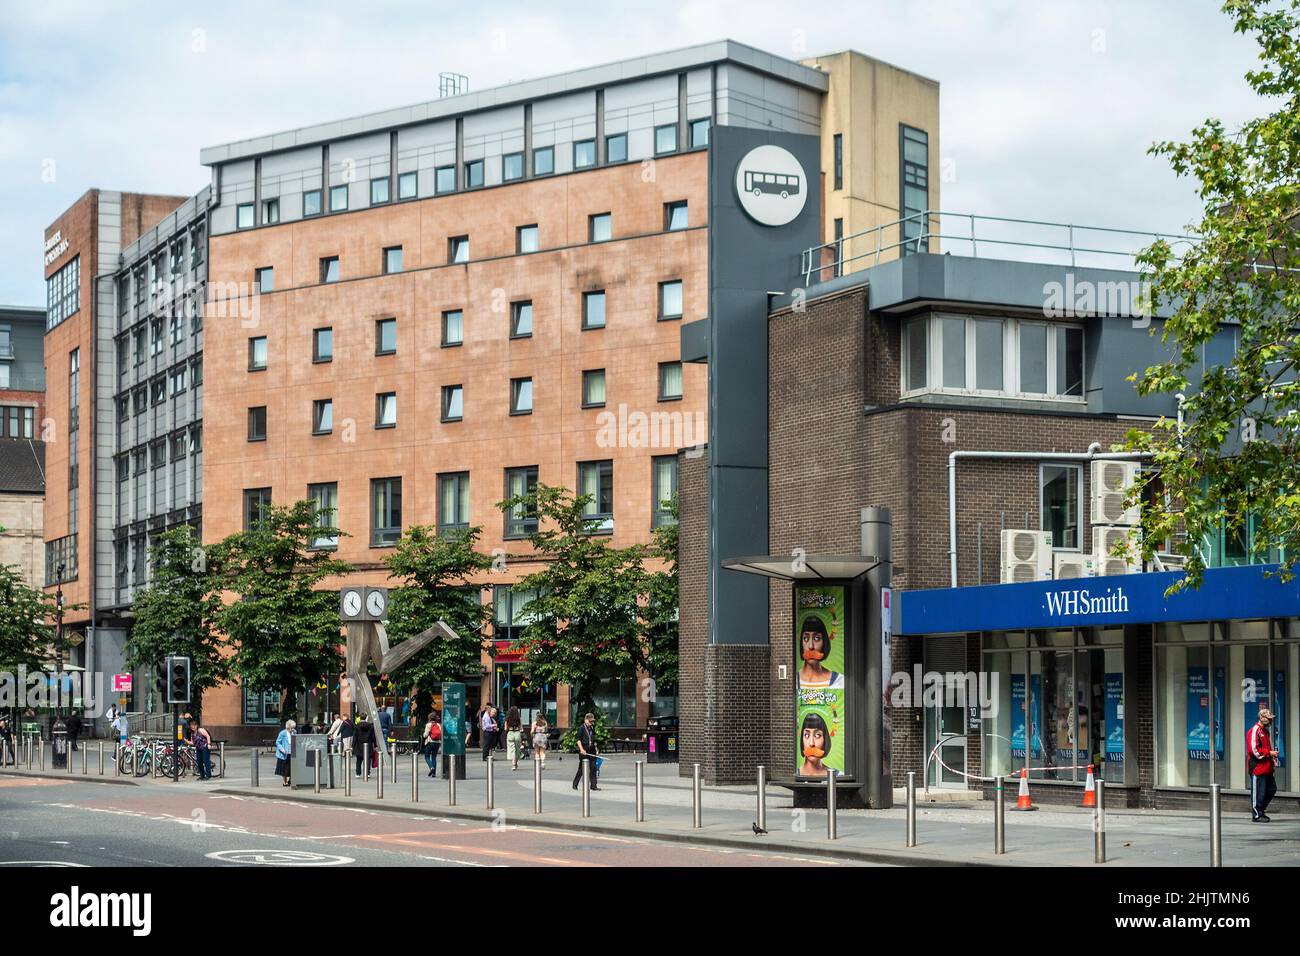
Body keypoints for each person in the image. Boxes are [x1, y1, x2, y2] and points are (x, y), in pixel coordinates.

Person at [1248, 707, 1279, 822]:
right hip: (1257, 767)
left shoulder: (1264, 731)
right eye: (1268, 718)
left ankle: (1260, 810)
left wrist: (1272, 758)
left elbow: (1265, 748)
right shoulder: (1255, 730)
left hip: (1266, 766)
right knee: (1258, 792)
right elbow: (1254, 750)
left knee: (1271, 789)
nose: (1270, 721)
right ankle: (1257, 814)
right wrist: (1269, 753)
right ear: (1261, 718)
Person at [797, 615, 843, 688]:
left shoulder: (839, 682)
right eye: (806, 638)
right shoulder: (794, 682)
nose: (811, 646)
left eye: (816, 638)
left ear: (824, 642)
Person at [571, 713, 601, 791]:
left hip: (592, 750)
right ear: (586, 720)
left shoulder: (592, 728)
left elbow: (594, 740)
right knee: (581, 769)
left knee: (593, 768)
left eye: (592, 721)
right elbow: (578, 740)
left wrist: (596, 748)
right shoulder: (581, 728)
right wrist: (581, 749)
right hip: (584, 750)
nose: (592, 723)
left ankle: (593, 785)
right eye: (590, 721)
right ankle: (575, 784)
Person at [798, 712, 832, 778]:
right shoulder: (797, 773)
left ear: (825, 739)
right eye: (807, 735)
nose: (811, 743)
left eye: (817, 735)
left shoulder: (836, 775)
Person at [352, 713, 377, 778]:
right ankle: (367, 773)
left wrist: (352, 746)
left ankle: (358, 773)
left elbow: (355, 737)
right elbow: (373, 736)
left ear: (360, 718)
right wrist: (375, 745)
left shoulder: (357, 726)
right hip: (368, 744)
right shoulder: (370, 726)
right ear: (366, 718)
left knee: (359, 760)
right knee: (368, 760)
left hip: (359, 745)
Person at [274, 719, 296, 788]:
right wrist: (282, 749)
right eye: (291, 728)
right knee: (284, 768)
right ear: (288, 727)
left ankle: (290, 780)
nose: (292, 729)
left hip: (292, 752)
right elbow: (278, 742)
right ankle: (285, 781)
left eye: (293, 728)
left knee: (292, 767)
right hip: (284, 753)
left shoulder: (294, 732)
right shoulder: (282, 733)